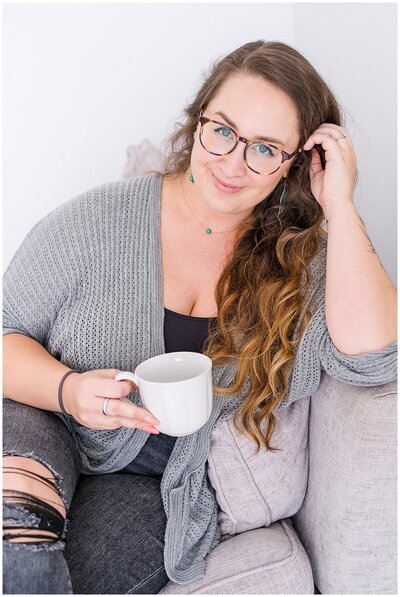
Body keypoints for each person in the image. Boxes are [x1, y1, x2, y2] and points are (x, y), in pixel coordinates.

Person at [3, 40, 397, 594]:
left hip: (154, 482)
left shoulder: (301, 264)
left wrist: (340, 203)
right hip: (45, 418)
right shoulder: (95, 223)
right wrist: (68, 390)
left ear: (294, 165)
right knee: (15, 539)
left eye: (265, 149)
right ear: (198, 122)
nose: (234, 162)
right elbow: (5, 333)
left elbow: (375, 360)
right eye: (224, 131)